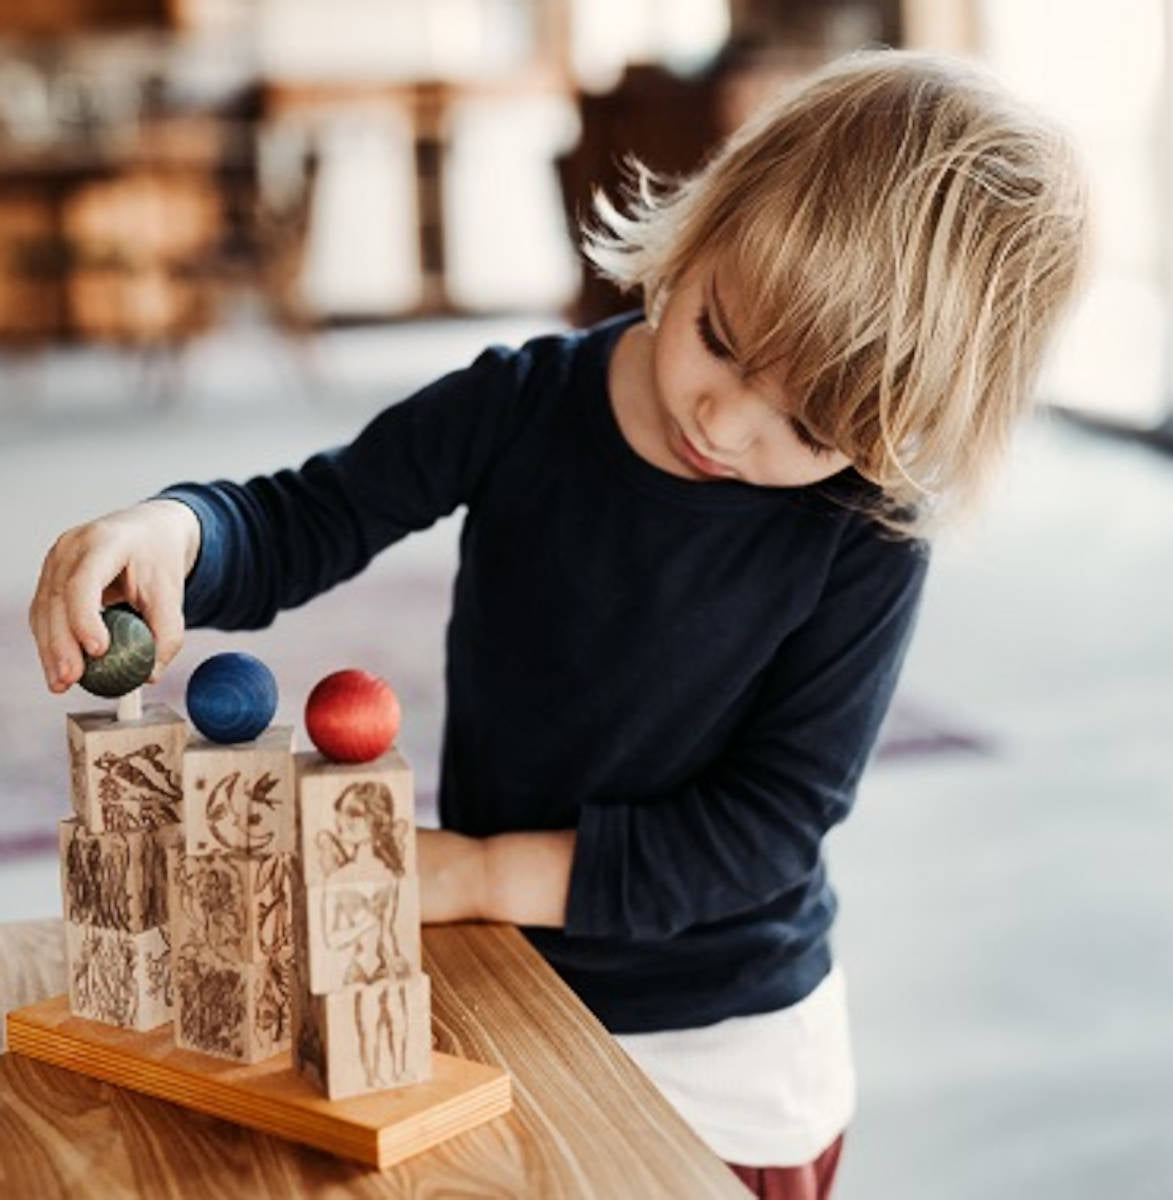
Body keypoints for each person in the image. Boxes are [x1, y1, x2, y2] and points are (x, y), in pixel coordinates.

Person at [29, 50, 1090, 1198]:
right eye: (719, 338)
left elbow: (763, 831)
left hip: (722, 1039)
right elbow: (315, 513)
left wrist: (479, 874)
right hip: (503, 972)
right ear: (705, 225)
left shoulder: (866, 535)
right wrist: (181, 529)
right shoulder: (522, 401)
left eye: (813, 423)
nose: (725, 424)